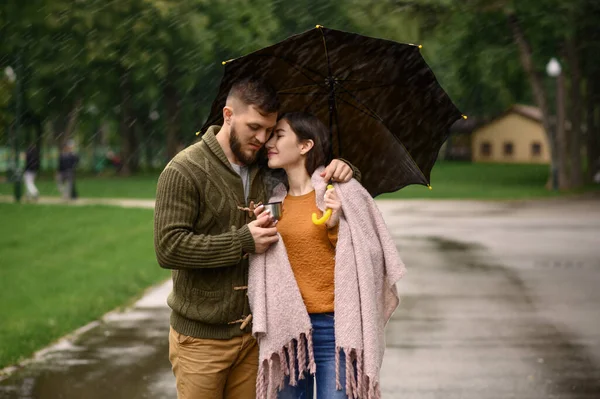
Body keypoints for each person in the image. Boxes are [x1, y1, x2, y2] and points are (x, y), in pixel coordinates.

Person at [153, 76, 359, 399]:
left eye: (269, 129)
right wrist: (242, 241)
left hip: (256, 341)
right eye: (254, 127)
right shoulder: (184, 170)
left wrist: (345, 167)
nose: (263, 138)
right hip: (201, 342)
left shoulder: (267, 171)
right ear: (228, 115)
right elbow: (169, 249)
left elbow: (311, 170)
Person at [248, 112, 406, 399]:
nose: (269, 142)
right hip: (288, 333)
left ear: (305, 146)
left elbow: (371, 255)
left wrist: (337, 226)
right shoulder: (273, 201)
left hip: (336, 330)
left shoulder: (344, 192)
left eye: (279, 135)